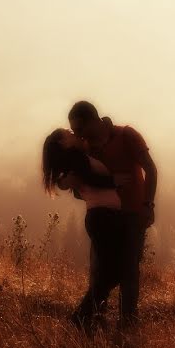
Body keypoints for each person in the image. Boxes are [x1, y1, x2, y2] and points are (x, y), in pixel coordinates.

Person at [67, 101, 158, 329]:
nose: (77, 135)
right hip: (104, 219)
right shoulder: (84, 150)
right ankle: (93, 321)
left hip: (132, 215)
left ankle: (126, 325)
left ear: (93, 121)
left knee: (128, 271)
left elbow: (151, 168)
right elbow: (77, 191)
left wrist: (148, 204)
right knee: (101, 271)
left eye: (79, 129)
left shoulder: (126, 135)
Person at [42, 128, 126, 333]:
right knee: (113, 272)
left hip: (103, 216)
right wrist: (116, 181)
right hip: (103, 217)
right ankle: (81, 317)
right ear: (63, 143)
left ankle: (86, 318)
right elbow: (91, 179)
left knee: (110, 272)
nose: (73, 133)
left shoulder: (78, 155)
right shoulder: (75, 157)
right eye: (68, 133)